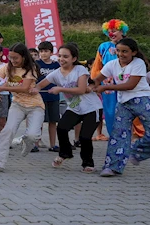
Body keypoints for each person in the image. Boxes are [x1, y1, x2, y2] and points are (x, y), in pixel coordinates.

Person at [93, 38, 150, 177]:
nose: (120, 54)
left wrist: (106, 86)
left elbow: (130, 85)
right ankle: (112, 166)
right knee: (118, 135)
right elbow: (97, 79)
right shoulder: (111, 64)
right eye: (118, 51)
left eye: (125, 51)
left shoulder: (138, 63)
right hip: (123, 103)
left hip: (143, 99)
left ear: (134, 52)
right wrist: (88, 85)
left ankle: (137, 152)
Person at [35, 43, 101, 172]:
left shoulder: (80, 70)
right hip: (75, 106)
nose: (61, 59)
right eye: (59, 56)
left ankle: (88, 163)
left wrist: (59, 89)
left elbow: (82, 89)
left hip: (92, 108)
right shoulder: (56, 73)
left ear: (74, 59)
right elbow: (40, 85)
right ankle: (65, 153)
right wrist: (31, 89)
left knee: (85, 137)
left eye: (65, 56)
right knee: (62, 127)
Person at [0, 43, 41, 174]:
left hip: (36, 106)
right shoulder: (7, 67)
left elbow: (24, 88)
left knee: (32, 135)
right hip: (17, 105)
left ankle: (27, 143)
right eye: (10, 58)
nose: (13, 61)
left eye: (16, 58)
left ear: (24, 57)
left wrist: (2, 88)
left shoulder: (30, 69)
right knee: (7, 131)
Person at [91, 19, 129, 140]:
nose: (111, 33)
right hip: (108, 83)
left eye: (115, 31)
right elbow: (97, 66)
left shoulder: (129, 44)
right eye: (109, 31)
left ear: (122, 31)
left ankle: (133, 134)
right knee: (110, 110)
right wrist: (95, 82)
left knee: (127, 108)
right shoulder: (104, 47)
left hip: (126, 82)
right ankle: (114, 135)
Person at [36, 41, 61, 151]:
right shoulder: (36, 64)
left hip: (53, 96)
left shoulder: (56, 65)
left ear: (51, 52)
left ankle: (52, 144)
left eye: (46, 51)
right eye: (41, 51)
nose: (43, 54)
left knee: (53, 121)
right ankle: (36, 143)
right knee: (38, 121)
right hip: (39, 96)